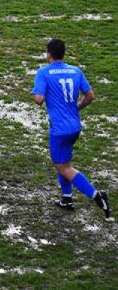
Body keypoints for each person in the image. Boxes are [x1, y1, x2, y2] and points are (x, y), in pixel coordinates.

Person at [31, 38, 110, 218]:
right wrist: (76, 108)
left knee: (63, 168)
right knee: (65, 162)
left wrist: (36, 92)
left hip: (59, 130)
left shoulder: (43, 72)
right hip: (75, 126)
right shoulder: (75, 70)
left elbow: (38, 99)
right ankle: (67, 198)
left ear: (49, 53)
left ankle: (97, 195)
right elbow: (90, 96)